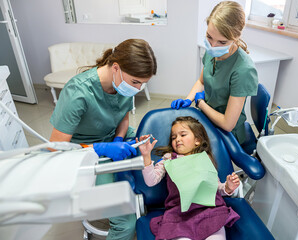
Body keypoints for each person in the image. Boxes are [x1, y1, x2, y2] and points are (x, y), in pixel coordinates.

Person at [49, 39, 157, 240]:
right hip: (83, 151)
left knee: (156, 147)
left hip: (111, 138)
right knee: (125, 225)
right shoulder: (78, 92)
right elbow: (56, 149)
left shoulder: (123, 84)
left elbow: (123, 117)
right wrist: (98, 149)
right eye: (136, 82)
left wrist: (118, 138)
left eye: (143, 84)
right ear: (115, 68)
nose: (138, 88)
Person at [137, 116, 240, 240]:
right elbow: (151, 180)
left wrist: (228, 187)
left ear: (197, 140)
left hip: (210, 212)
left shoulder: (204, 159)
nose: (177, 139)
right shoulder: (168, 159)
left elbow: (216, 188)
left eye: (183, 135)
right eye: (173, 137)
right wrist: (146, 155)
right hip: (180, 215)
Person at [171, 1, 258, 145]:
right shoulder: (212, 51)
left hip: (227, 133)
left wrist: (200, 103)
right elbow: (201, 81)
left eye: (222, 42)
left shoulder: (244, 70)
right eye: (209, 37)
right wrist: (189, 99)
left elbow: (227, 124)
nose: (213, 46)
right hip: (207, 118)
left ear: (235, 37)